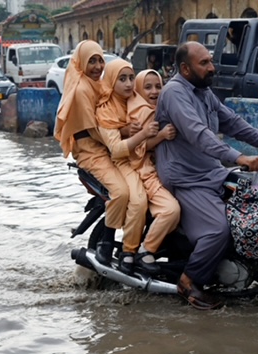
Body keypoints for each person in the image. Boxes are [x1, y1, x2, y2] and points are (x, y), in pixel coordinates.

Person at [154, 41, 258, 310]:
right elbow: (197, 133)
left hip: (211, 171)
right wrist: (238, 158)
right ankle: (189, 281)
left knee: (251, 209)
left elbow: (233, 123)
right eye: (204, 63)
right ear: (185, 68)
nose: (212, 67)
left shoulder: (203, 92)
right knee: (221, 228)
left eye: (210, 61)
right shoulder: (174, 92)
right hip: (186, 178)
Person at [54, 41, 134, 269]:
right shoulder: (81, 89)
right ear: (80, 62)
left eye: (100, 60)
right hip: (91, 151)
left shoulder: (95, 84)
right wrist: (123, 133)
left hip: (106, 147)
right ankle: (107, 241)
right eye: (92, 61)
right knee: (120, 192)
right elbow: (95, 130)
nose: (98, 66)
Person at [94, 59, 155, 274]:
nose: (129, 84)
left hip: (145, 158)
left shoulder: (136, 101)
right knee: (137, 200)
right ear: (111, 81)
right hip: (123, 160)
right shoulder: (106, 111)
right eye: (122, 79)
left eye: (131, 78)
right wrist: (141, 134)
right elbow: (117, 150)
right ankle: (128, 251)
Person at [126, 69, 181, 273]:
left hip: (161, 169)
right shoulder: (142, 113)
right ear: (138, 89)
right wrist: (162, 136)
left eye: (158, 86)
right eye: (147, 87)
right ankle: (145, 251)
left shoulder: (159, 110)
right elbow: (140, 147)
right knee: (171, 210)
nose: (154, 91)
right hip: (145, 171)